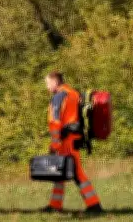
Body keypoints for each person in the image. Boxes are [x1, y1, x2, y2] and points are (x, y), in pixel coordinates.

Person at [43, 71, 103, 213]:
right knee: (60, 171)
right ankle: (55, 205)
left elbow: (55, 122)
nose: (46, 86)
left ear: (55, 82)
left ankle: (94, 205)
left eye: (47, 83)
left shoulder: (59, 97)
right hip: (74, 138)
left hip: (66, 142)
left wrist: (54, 145)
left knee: (77, 173)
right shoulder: (73, 93)